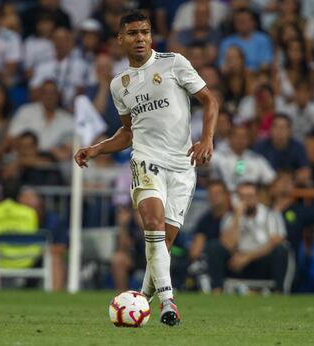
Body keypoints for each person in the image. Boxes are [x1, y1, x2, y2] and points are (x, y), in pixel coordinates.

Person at [74, 11, 218, 326]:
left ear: (151, 36)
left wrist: (206, 138)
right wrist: (97, 148)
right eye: (133, 33)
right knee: (151, 224)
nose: (140, 38)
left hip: (182, 167)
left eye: (145, 32)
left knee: (162, 245)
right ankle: (169, 303)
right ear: (120, 39)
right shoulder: (119, 84)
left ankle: (138, 304)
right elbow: (128, 132)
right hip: (146, 160)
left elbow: (210, 100)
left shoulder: (174, 63)